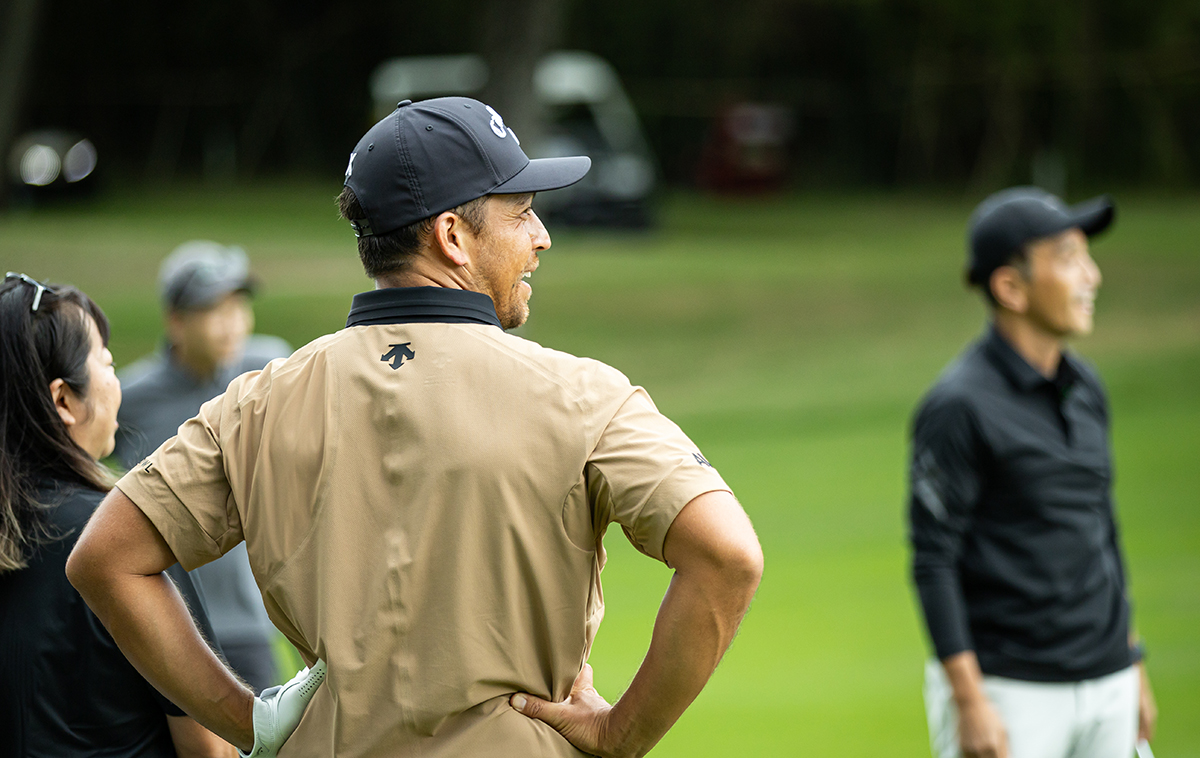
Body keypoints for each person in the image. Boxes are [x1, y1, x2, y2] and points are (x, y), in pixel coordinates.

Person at [66, 96, 764, 758]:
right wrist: (622, 735)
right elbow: (728, 556)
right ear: (453, 236)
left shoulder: (258, 402)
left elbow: (106, 558)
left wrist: (247, 719)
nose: (541, 237)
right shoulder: (582, 394)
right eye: (520, 212)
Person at [907, 187, 1158, 758]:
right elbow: (933, 559)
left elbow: (1102, 531)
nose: (1091, 276)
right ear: (1010, 288)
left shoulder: (1087, 387)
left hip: (1109, 680)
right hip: (1010, 692)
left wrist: (1132, 659)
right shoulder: (957, 407)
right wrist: (969, 702)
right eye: (1068, 258)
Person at [0, 272, 232, 757]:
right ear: (63, 399)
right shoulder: (122, 535)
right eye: (105, 363)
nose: (117, 380)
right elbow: (211, 745)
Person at [114, 241, 292, 693]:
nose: (232, 322)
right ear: (176, 321)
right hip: (160, 625)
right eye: (214, 309)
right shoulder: (128, 399)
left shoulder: (268, 370)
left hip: (248, 624)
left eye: (238, 306)